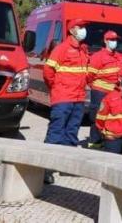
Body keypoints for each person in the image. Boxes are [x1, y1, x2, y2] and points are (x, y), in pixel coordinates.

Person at [42, 19, 90, 184]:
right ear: (72, 30)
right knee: (56, 132)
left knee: (72, 132)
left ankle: (66, 166)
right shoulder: (61, 49)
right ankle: (45, 169)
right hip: (63, 97)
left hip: (78, 98)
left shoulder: (84, 50)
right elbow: (48, 71)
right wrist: (56, 88)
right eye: (80, 27)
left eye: (84, 27)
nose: (83, 30)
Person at [87, 30, 122, 146]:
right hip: (100, 92)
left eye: (116, 40)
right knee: (97, 117)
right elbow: (89, 76)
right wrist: (96, 87)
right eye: (112, 40)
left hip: (113, 92)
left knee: (110, 117)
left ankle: (105, 141)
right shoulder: (98, 56)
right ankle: (94, 142)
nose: (114, 42)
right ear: (105, 41)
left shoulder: (119, 56)